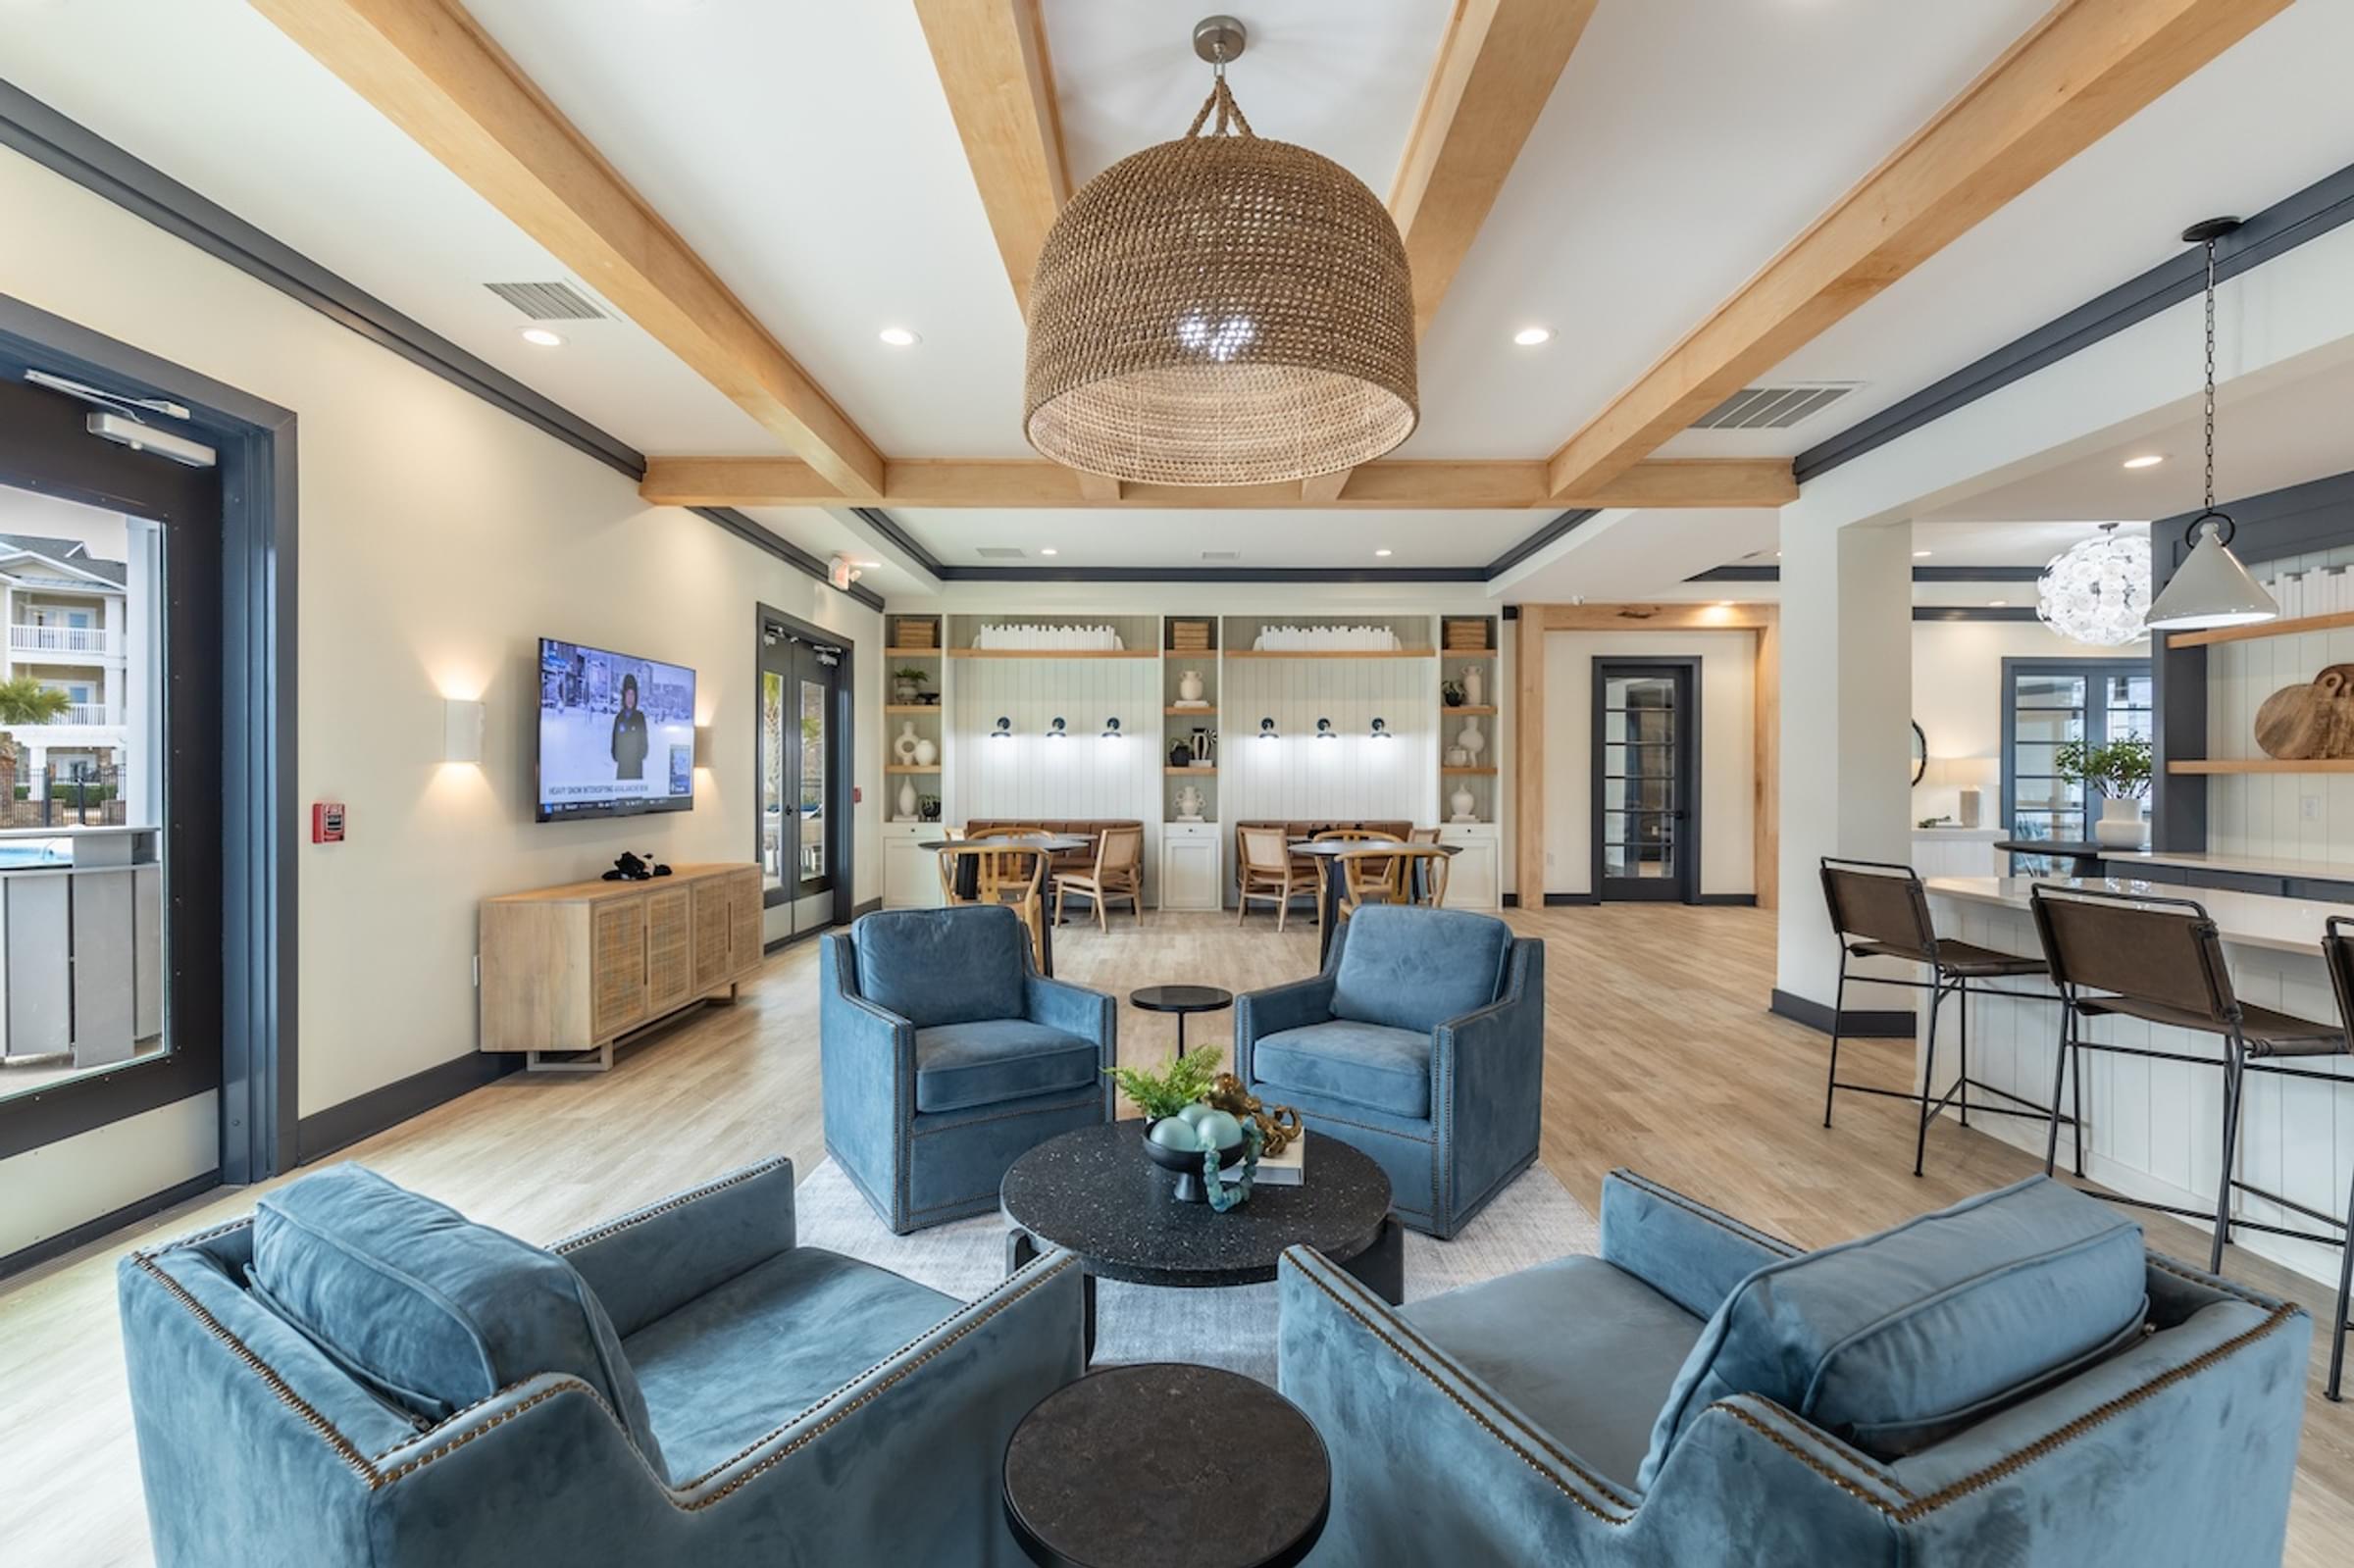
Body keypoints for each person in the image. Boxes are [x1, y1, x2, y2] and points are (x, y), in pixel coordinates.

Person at [611, 671, 649, 781]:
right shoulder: (619, 718)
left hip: (636, 770)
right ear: (623, 696)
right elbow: (614, 745)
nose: (630, 698)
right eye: (628, 694)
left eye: (633, 694)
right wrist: (619, 757)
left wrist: (637, 757)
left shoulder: (640, 717)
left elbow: (644, 745)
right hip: (622, 770)